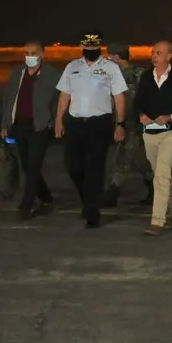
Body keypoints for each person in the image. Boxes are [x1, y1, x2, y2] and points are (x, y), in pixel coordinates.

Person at [55, 31, 128, 228]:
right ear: (82, 47)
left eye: (94, 48)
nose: (91, 51)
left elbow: (119, 98)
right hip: (75, 124)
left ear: (99, 47)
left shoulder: (110, 68)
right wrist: (59, 121)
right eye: (87, 48)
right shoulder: (72, 66)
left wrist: (119, 124)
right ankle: (88, 201)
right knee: (73, 167)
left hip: (99, 124)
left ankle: (92, 213)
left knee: (94, 170)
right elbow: (64, 95)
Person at [135, 41, 172, 235]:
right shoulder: (145, 77)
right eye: (153, 52)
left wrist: (170, 117)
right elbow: (137, 103)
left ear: (169, 56)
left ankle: (157, 221)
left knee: (161, 177)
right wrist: (141, 115)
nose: (154, 56)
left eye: (158, 53)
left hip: (170, 132)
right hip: (149, 133)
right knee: (162, 175)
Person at [0, 40, 61, 220]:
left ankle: (26, 206)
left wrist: (56, 122)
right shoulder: (17, 73)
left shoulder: (52, 75)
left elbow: (60, 101)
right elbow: (8, 99)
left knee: (34, 165)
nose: (30, 57)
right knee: (27, 166)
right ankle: (46, 198)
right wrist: (5, 124)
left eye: (34, 53)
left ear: (43, 54)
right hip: (19, 126)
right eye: (26, 53)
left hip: (39, 127)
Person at [102, 41, 153, 208]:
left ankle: (112, 194)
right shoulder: (111, 76)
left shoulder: (138, 74)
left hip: (135, 124)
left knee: (123, 157)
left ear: (116, 57)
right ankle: (154, 189)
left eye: (109, 57)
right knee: (139, 160)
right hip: (120, 122)